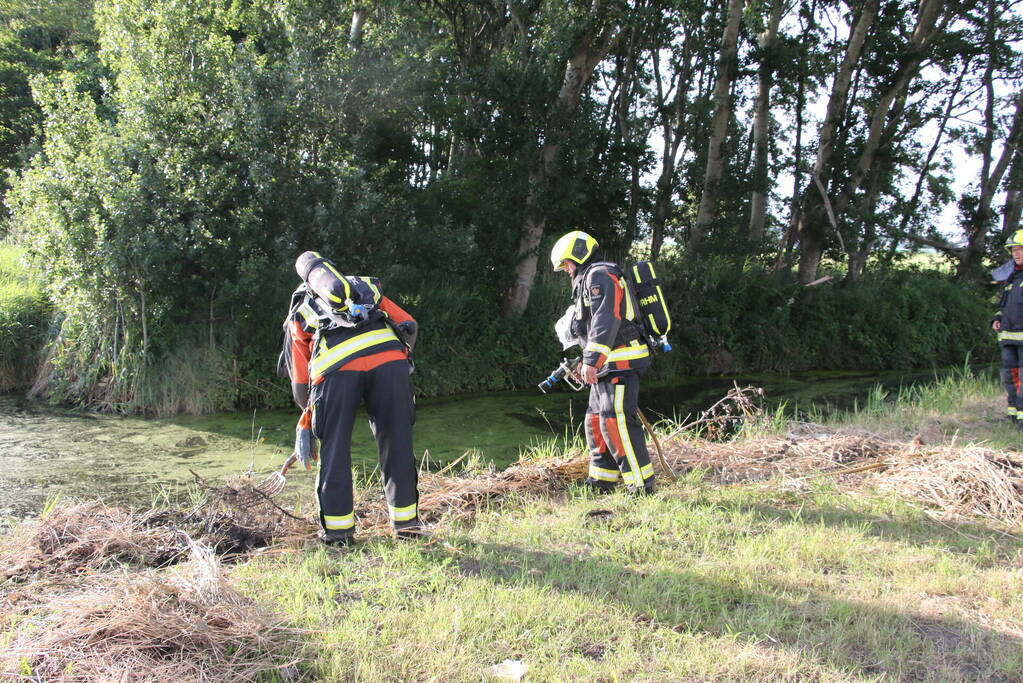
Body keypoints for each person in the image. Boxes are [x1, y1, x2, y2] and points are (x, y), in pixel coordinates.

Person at [281, 251, 422, 545]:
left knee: (334, 451)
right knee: (397, 441)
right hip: (389, 363)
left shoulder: (301, 307)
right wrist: (400, 362)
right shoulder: (365, 286)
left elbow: (299, 381)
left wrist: (308, 415)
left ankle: (339, 534)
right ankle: (407, 528)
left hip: (335, 371)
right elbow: (409, 324)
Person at [549, 231, 656, 494]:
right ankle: (601, 480)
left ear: (578, 255)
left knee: (616, 420)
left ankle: (641, 486)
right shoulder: (591, 278)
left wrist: (593, 361)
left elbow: (606, 318)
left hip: (621, 360)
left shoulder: (600, 275)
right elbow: (589, 326)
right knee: (596, 420)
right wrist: (585, 362)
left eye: (567, 264)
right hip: (607, 362)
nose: (567, 270)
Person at [992, 230, 1023, 429]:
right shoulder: (1012, 278)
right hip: (1008, 339)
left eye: (1020, 249)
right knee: (1009, 379)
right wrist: (996, 319)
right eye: (1014, 250)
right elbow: (1004, 306)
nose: (1017, 254)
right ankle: (1014, 414)